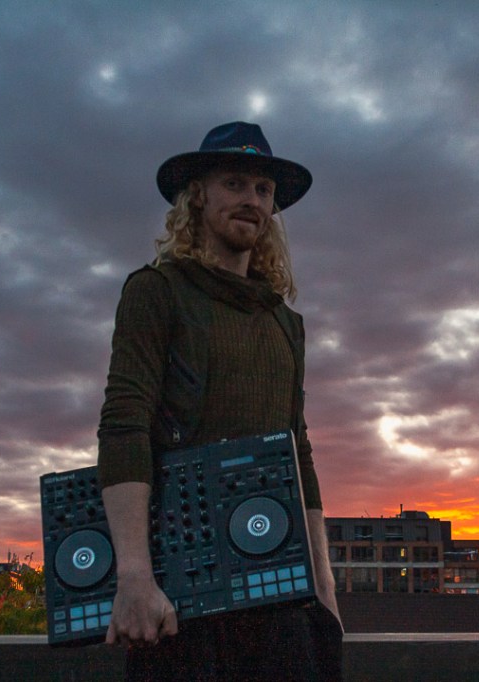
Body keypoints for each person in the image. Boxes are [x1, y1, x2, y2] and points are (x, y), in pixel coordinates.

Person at [96, 121, 342, 681]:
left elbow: (297, 450)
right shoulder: (156, 291)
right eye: (235, 183)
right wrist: (134, 577)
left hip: (277, 594)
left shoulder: (286, 322)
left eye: (263, 190)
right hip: (182, 596)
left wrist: (323, 588)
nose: (252, 201)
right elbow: (124, 426)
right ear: (198, 195)